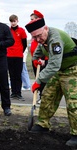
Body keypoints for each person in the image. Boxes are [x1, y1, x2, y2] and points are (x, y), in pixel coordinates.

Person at [25, 17, 77, 147]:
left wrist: (38, 80)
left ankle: (76, 134)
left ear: (46, 28)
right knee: (48, 96)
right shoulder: (42, 38)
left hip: (72, 70)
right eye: (34, 37)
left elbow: (54, 65)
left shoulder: (55, 39)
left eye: (39, 36)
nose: (38, 39)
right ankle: (43, 124)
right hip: (59, 71)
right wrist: (36, 58)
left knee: (73, 102)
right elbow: (40, 48)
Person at [7, 14, 27, 100]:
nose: (13, 23)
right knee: (12, 74)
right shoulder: (8, 30)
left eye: (14, 21)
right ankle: (13, 93)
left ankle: (18, 93)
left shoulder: (22, 31)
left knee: (18, 75)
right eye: (11, 21)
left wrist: (19, 51)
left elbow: (25, 44)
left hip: (18, 56)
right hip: (9, 55)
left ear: (17, 21)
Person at [30, 10, 48, 104]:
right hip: (35, 59)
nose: (31, 21)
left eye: (33, 19)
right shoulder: (33, 32)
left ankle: (43, 97)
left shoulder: (42, 31)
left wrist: (43, 58)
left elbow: (44, 45)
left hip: (43, 60)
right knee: (37, 78)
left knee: (43, 79)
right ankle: (39, 96)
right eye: (31, 19)